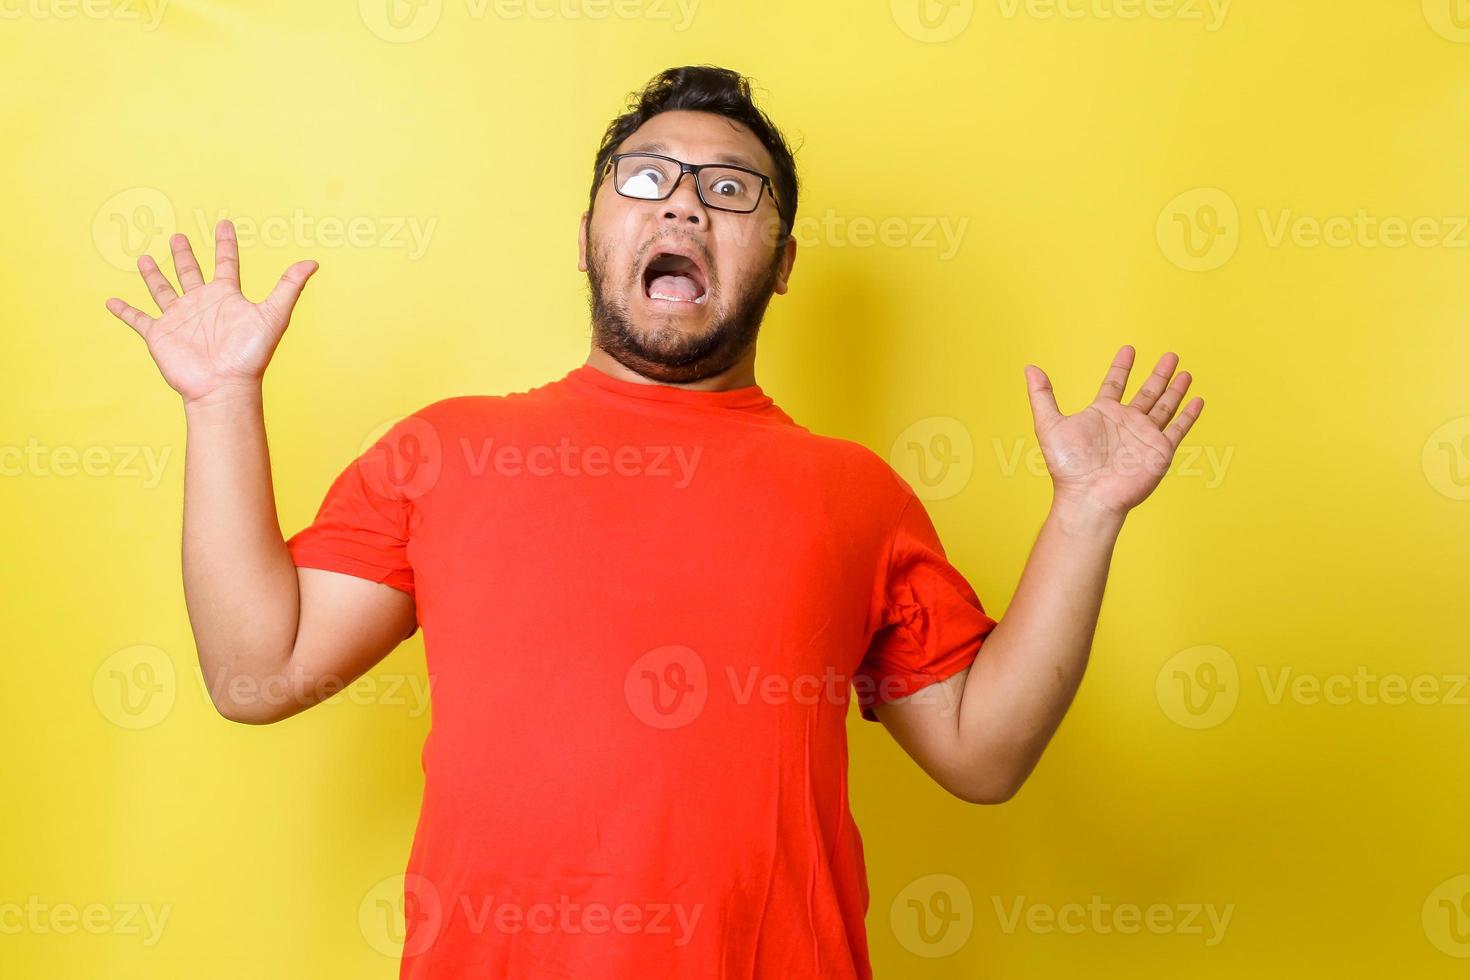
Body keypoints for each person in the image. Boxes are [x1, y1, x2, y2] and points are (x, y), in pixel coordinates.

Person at [105, 64, 1204, 980]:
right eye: (649, 178)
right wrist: (219, 403)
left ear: (781, 264)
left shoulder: (858, 494)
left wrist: (1085, 517)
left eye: (732, 190)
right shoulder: (444, 451)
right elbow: (255, 673)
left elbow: (985, 752)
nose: (685, 204)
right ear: (589, 234)